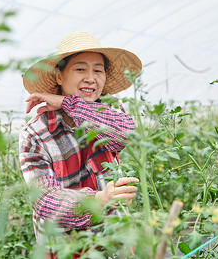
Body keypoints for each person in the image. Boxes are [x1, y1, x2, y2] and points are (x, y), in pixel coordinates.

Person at [19, 31, 142, 257]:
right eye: (80, 69)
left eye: (98, 70)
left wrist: (68, 103)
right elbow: (44, 199)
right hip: (66, 247)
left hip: (113, 238)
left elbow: (125, 134)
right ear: (59, 76)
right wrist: (97, 200)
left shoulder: (109, 112)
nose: (90, 78)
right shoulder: (35, 133)